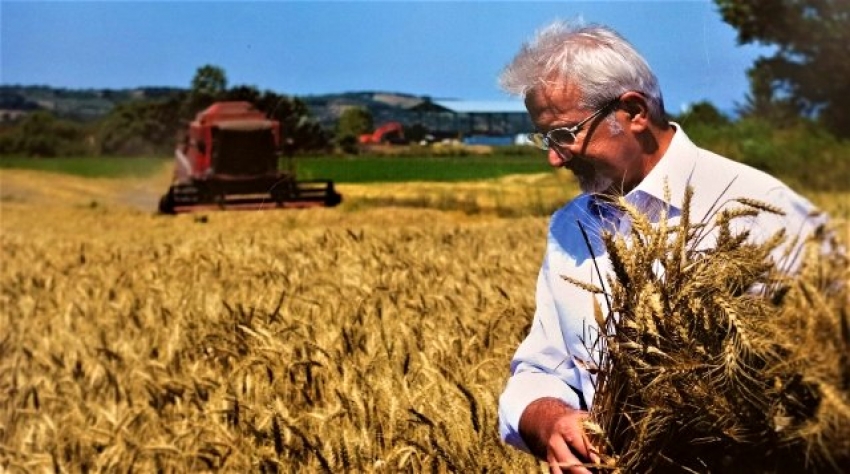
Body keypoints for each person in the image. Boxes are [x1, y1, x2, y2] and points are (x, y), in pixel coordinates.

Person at [496, 20, 827, 473]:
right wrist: (549, 421)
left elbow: (824, 386)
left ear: (633, 111)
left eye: (565, 134)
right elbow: (538, 370)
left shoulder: (762, 210)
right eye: (545, 138)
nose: (554, 158)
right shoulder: (571, 227)